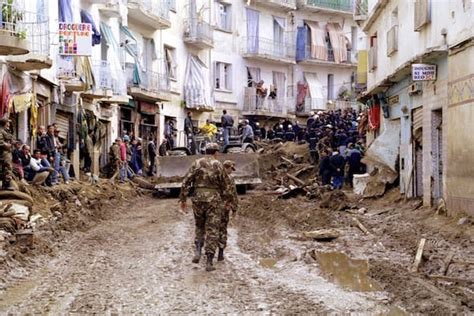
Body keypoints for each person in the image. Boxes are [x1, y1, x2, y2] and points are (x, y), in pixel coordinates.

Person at [179, 143, 233, 272]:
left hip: (198, 198)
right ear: (215, 152)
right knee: (212, 229)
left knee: (199, 226)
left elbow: (186, 181)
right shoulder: (218, 164)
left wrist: (183, 199)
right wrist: (228, 200)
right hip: (214, 200)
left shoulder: (196, 163)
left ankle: (197, 251)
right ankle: (209, 260)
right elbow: (226, 185)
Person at [218, 160, 238, 262]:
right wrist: (234, 209)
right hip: (224, 208)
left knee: (211, 229)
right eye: (231, 169)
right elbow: (233, 195)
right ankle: (220, 253)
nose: (231, 171)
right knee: (222, 230)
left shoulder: (215, 177)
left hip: (214, 208)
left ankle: (210, 253)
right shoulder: (230, 179)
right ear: (227, 168)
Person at [0, 118, 14, 190]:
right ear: (5, 123)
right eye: (8, 123)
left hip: (7, 153)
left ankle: (6, 184)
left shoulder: (6, 131)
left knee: (7, 168)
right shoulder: (1, 131)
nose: (9, 124)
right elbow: (1, 142)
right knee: (7, 167)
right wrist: (8, 145)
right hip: (3, 153)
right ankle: (7, 184)